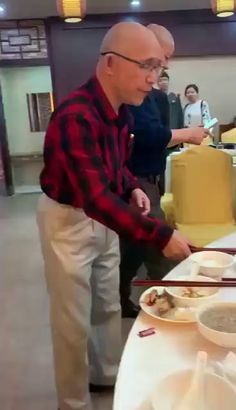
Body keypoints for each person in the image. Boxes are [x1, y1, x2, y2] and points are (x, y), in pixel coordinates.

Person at [36, 22, 196, 410]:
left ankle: (106, 374)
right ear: (110, 64)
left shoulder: (121, 113)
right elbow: (92, 195)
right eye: (147, 66)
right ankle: (73, 402)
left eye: (159, 68)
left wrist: (132, 186)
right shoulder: (75, 115)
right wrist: (160, 235)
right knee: (72, 319)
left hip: (103, 213)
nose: (153, 79)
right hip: (67, 218)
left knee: (108, 302)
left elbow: (113, 169)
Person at [120, 24, 209, 318]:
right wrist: (184, 134)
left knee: (136, 247)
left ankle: (134, 296)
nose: (163, 67)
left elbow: (157, 134)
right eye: (158, 59)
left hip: (148, 179)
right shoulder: (128, 95)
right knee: (158, 247)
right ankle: (169, 309)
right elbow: (149, 133)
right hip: (136, 181)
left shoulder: (157, 96)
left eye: (165, 60)